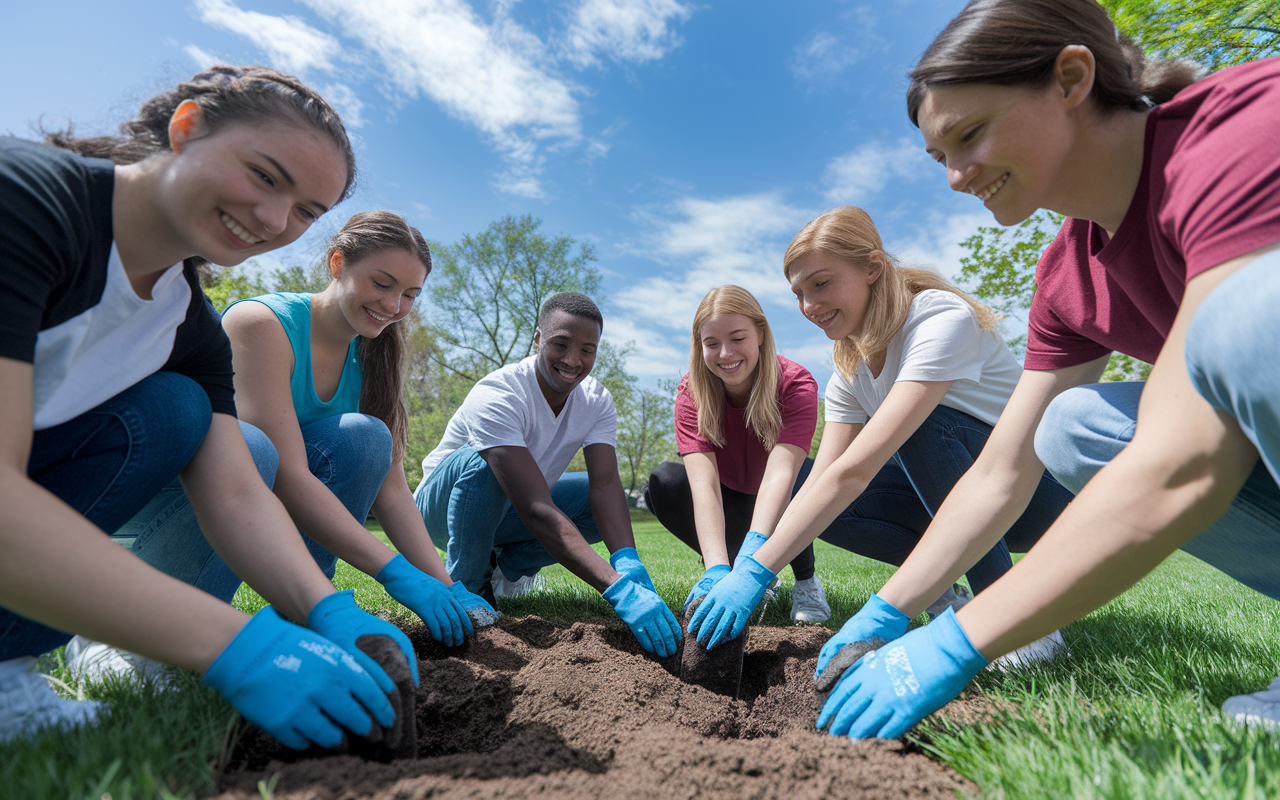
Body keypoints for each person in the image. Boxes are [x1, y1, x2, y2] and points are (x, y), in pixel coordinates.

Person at [816, 0, 1280, 739]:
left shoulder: (1243, 130)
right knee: (1073, 429)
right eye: (940, 158)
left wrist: (963, 637)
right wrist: (890, 609)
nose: (957, 177)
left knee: (1247, 318)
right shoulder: (1069, 277)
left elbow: (1183, 456)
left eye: (970, 136)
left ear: (1070, 78)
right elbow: (1001, 474)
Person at [0, 65, 412, 749]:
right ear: (186, 129)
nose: (277, 220)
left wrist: (327, 607)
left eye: (308, 210)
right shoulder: (30, 202)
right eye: (265, 175)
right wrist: (235, 646)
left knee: (181, 408)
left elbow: (238, 495)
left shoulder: (185, 322)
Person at [67, 211, 497, 680]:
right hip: (170, 510)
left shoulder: (374, 353)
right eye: (382, 283)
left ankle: (304, 614)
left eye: (410, 294)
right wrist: (396, 575)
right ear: (337, 263)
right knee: (253, 449)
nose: (394, 305)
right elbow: (287, 477)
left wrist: (443, 584)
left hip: (251, 510)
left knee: (364, 437)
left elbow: (390, 489)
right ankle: (121, 629)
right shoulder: (261, 324)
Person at [687, 209, 1073, 659]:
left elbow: (856, 470)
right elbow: (828, 477)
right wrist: (753, 563)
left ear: (872, 268)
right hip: (958, 503)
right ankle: (942, 593)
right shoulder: (849, 368)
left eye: (821, 284)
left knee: (919, 427)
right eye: (799, 293)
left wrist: (755, 573)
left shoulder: (939, 318)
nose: (809, 306)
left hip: (1038, 494)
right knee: (810, 493)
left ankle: (1015, 620)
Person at [413, 292, 681, 657]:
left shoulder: (596, 400)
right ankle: (469, 585)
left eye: (587, 349)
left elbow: (605, 484)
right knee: (484, 461)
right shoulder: (498, 394)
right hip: (441, 511)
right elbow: (537, 507)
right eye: (560, 344)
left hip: (511, 508)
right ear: (538, 338)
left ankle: (505, 569)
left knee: (593, 496)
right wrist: (616, 589)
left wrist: (627, 561)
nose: (573, 360)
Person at [646, 284, 831, 625]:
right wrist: (716, 567)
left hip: (780, 487)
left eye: (737, 338)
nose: (725, 354)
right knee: (663, 480)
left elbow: (781, 476)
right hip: (728, 494)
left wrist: (755, 552)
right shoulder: (691, 393)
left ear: (760, 333)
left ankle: (805, 581)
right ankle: (739, 573)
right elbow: (704, 487)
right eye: (711, 343)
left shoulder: (795, 383)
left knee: (805, 477)